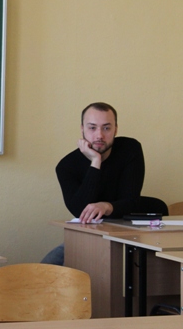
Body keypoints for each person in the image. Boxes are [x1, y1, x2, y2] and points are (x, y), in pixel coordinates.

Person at [41, 102, 144, 265]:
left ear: (116, 130)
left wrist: (106, 206)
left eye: (106, 128)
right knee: (47, 266)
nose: (99, 135)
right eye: (92, 128)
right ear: (82, 129)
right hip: (90, 233)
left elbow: (132, 201)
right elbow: (79, 211)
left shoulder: (130, 149)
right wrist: (95, 162)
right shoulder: (66, 166)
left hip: (128, 230)